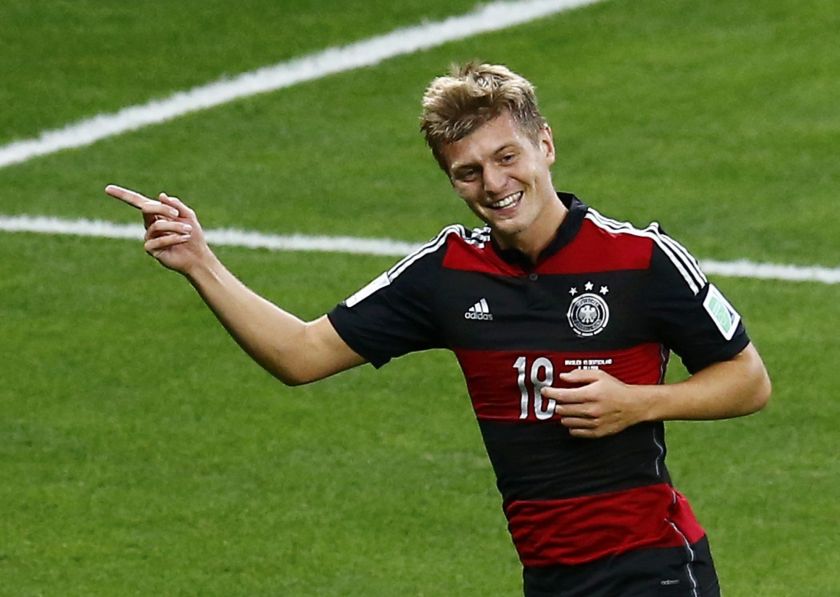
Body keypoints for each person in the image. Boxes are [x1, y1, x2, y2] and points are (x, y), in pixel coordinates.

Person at [106, 62, 771, 596]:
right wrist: (199, 261)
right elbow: (300, 354)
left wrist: (637, 404)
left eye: (507, 156)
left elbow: (748, 380)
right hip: (548, 575)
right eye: (468, 172)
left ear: (545, 145)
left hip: (652, 568)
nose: (495, 183)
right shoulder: (446, 274)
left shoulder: (643, 259)